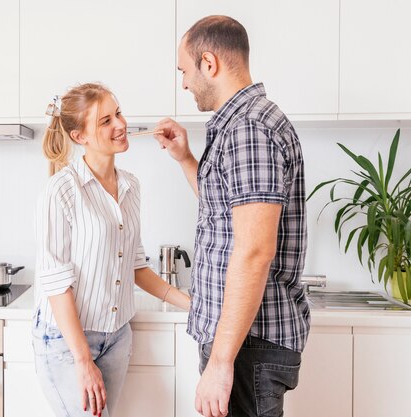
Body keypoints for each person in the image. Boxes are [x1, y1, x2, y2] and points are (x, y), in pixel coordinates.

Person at [153, 16, 310, 417]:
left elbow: (255, 250)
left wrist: (222, 362)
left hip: (246, 345)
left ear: (209, 63)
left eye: (184, 72)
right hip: (242, 341)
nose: (184, 84)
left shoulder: (249, 129)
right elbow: (225, 211)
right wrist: (186, 158)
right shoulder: (240, 125)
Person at [33, 82, 191, 417]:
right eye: (105, 121)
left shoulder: (131, 185)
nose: (120, 124)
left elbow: (135, 266)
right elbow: (57, 284)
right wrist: (82, 360)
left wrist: (191, 304)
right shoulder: (61, 190)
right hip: (66, 343)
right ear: (80, 137)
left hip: (117, 337)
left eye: (117, 113)